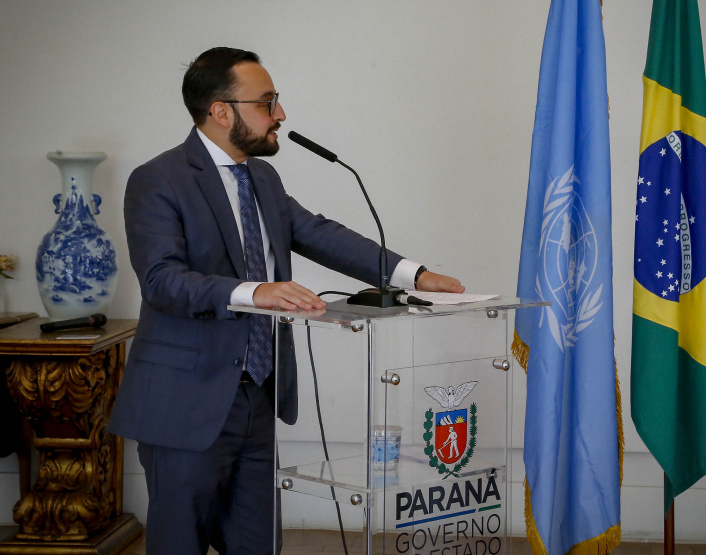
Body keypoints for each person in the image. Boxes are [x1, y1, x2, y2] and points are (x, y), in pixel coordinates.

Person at [108, 47, 464, 555]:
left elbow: (318, 233)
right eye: (268, 102)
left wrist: (415, 274)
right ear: (221, 110)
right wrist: (256, 292)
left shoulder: (262, 177)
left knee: (259, 544)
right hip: (185, 402)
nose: (280, 115)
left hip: (259, 393)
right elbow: (163, 281)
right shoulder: (159, 179)